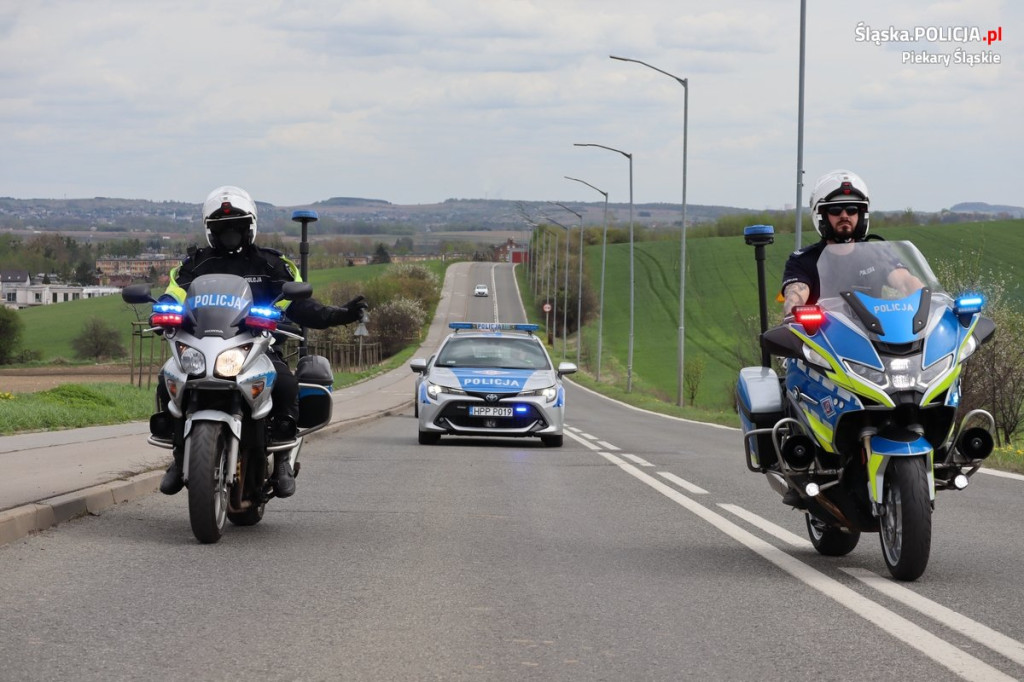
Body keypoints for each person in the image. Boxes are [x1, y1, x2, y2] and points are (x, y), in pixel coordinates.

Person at [153, 186, 367, 498]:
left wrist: (338, 315)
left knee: (284, 383)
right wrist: (160, 311)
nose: (230, 233)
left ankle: (281, 458)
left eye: (236, 226)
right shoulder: (193, 265)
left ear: (249, 227)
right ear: (210, 231)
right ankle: (177, 455)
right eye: (222, 227)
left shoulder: (271, 264)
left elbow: (299, 303)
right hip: (202, 347)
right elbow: (173, 294)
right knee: (166, 378)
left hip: (256, 347)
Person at [781, 169, 923, 316]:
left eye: (852, 209)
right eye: (835, 210)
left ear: (861, 215)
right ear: (822, 216)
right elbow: (795, 294)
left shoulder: (877, 254)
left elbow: (905, 281)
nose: (844, 215)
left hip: (875, 335)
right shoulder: (803, 261)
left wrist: (929, 300)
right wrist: (793, 311)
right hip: (822, 336)